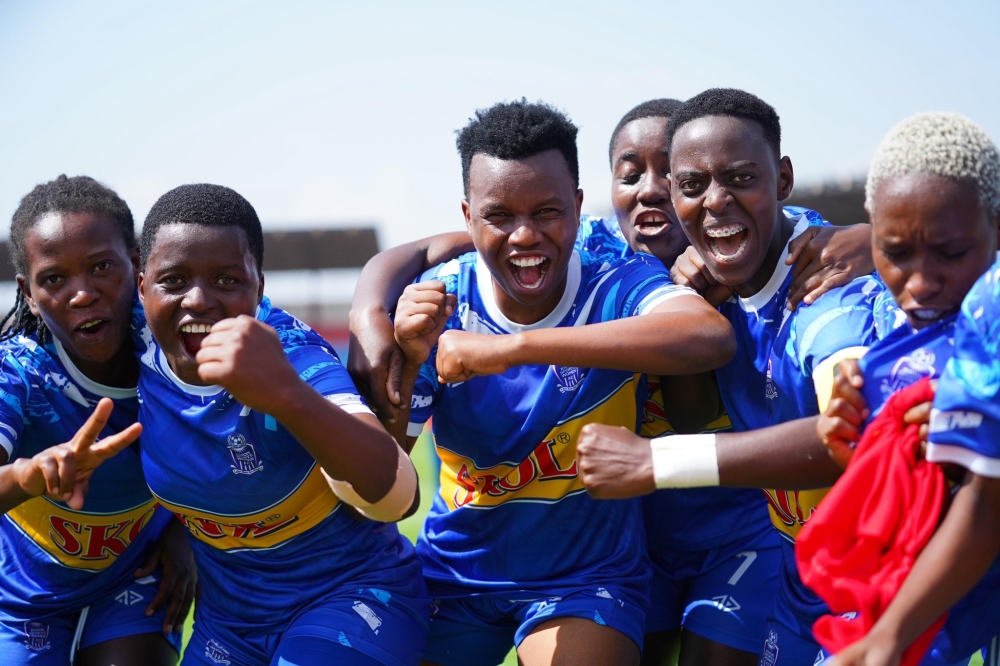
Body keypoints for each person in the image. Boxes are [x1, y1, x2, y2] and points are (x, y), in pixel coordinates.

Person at [349, 97, 873, 666]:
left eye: (671, 176)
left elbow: (714, 363)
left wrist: (875, 237)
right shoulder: (464, 292)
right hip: (538, 556)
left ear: (574, 207)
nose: (651, 190)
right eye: (632, 173)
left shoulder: (785, 276)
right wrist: (371, 312)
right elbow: (434, 251)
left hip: (713, 540)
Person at [384, 99, 737, 666]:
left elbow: (707, 335)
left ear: (576, 207)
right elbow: (383, 485)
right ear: (468, 215)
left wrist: (511, 349)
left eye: (546, 212)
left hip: (585, 581)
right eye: (500, 216)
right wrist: (404, 354)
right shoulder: (438, 304)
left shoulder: (618, 281)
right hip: (455, 575)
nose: (525, 236)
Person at [575, 88, 888, 664]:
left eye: (741, 178)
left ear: (783, 179)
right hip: (805, 580)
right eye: (692, 186)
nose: (716, 202)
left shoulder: (828, 298)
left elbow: (855, 439)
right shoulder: (709, 286)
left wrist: (653, 463)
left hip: (893, 586)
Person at [135, 183, 429, 666]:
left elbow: (399, 497)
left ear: (260, 287)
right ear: (141, 287)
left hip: (350, 599)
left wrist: (286, 397)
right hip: (229, 626)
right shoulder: (131, 343)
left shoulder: (296, 356)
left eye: (227, 281)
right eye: (174, 280)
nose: (198, 300)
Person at [812, 112, 1000, 666]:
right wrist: (860, 435)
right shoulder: (897, 333)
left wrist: (887, 639)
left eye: (950, 252)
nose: (920, 281)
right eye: (895, 253)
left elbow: (985, 505)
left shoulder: (990, 309)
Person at [0, 175, 194, 665]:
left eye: (101, 267)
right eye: (54, 279)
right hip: (22, 599)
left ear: (136, 264)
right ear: (28, 293)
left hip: (133, 579)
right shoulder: (17, 373)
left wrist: (188, 530)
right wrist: (31, 474)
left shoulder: (175, 345)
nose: (82, 293)